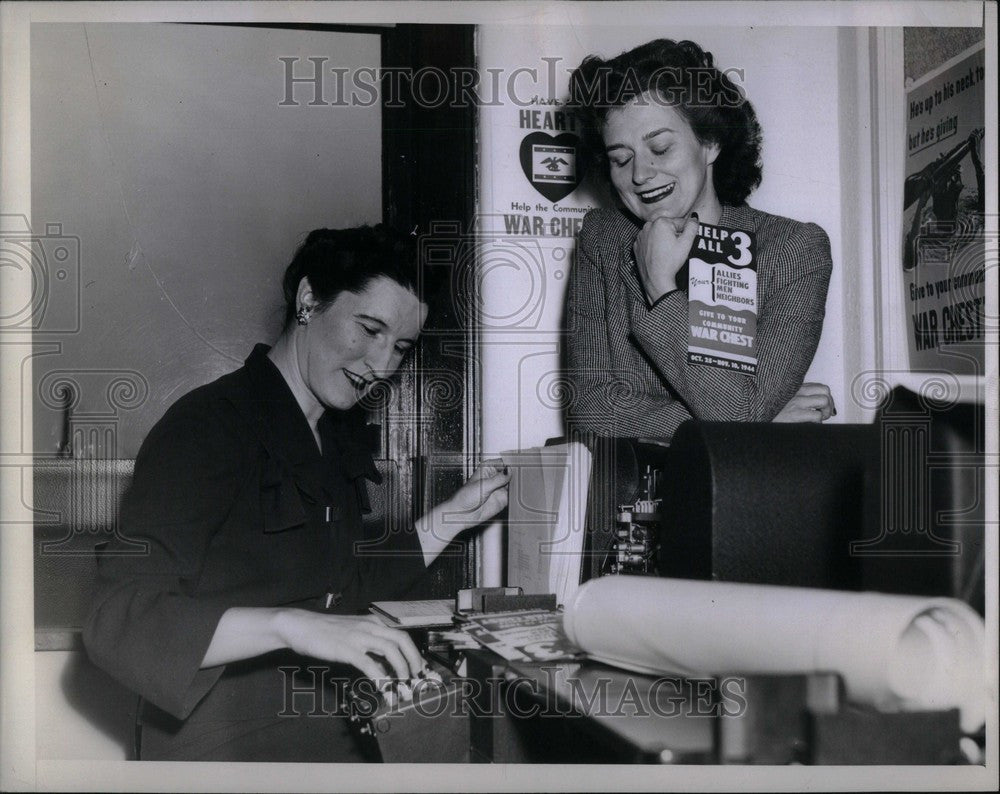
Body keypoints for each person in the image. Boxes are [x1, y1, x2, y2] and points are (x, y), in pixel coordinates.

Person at [83, 226, 510, 762]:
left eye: (400, 347)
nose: (382, 367)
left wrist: (450, 520)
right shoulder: (206, 425)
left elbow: (341, 590)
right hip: (223, 747)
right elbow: (114, 617)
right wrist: (290, 626)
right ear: (309, 299)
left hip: (326, 728)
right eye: (370, 328)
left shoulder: (332, 437)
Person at [564, 39, 836, 439]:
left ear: (709, 142)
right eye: (621, 158)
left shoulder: (793, 250)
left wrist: (660, 287)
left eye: (660, 147)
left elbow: (739, 415)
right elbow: (589, 413)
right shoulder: (602, 240)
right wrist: (757, 417)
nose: (640, 174)